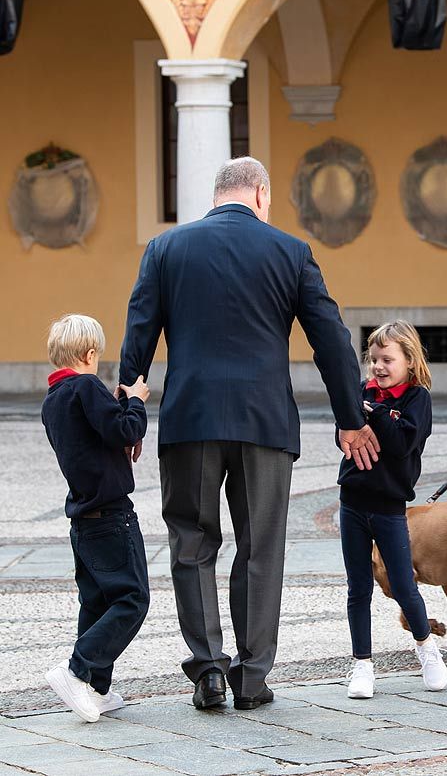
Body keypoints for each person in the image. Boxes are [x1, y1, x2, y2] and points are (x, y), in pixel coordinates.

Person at [119, 157, 379, 711]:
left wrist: (129, 419)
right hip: (265, 421)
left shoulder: (165, 250)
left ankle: (208, 672)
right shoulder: (291, 251)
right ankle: (252, 676)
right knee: (261, 548)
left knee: (191, 544)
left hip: (190, 418)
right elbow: (331, 340)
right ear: (260, 194)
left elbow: (138, 334)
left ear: (217, 196)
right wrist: (351, 418)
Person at [41, 314, 151, 722]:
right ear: (89, 354)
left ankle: (95, 688)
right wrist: (136, 399)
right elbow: (123, 430)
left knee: (97, 601)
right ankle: (77, 669)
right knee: (132, 598)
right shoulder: (87, 386)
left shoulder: (53, 399)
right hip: (112, 516)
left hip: (84, 518)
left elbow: (95, 436)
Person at [337, 321, 447, 699]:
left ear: (410, 362)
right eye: (373, 359)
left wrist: (380, 415)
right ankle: (362, 665)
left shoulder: (417, 399)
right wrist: (358, 417)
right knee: (358, 588)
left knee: (403, 584)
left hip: (389, 508)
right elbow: (347, 436)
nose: (378, 367)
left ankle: (426, 647)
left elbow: (403, 444)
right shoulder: (360, 393)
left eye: (387, 359)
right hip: (352, 503)